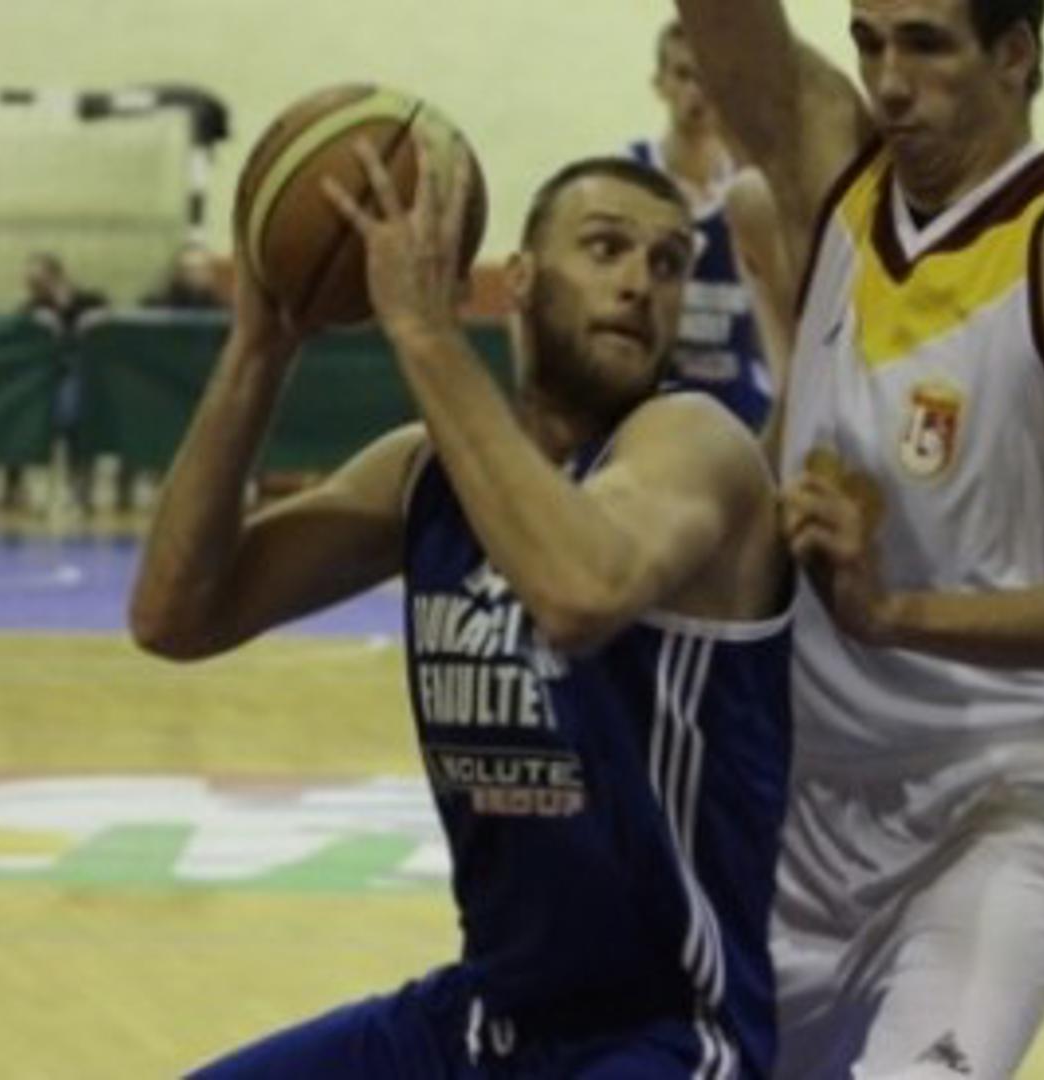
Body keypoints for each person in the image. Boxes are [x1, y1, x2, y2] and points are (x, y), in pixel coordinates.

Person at [133, 149, 792, 1077]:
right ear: (516, 281)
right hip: (488, 1017)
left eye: (668, 263)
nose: (639, 283)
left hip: (668, 1035)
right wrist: (258, 347)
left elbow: (581, 592)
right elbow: (174, 615)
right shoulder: (424, 475)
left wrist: (423, 332)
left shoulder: (692, 443)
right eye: (605, 248)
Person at [671, 1, 1044, 1076]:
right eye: (868, 42)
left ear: (1014, 53)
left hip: (1001, 796)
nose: (889, 79)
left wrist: (893, 612)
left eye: (925, 43)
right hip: (800, 802)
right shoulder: (830, 178)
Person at [632, 22, 796, 436]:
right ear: (659, 84)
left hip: (744, 402)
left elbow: (783, 308)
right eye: (684, 74)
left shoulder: (757, 187)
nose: (697, 90)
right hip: (655, 402)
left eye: (708, 77)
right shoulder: (629, 178)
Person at [14, 253, 110, 513]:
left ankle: (79, 487)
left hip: (86, 379)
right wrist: (32, 322)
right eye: (31, 283)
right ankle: (39, 491)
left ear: (56, 276)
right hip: (45, 382)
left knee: (77, 423)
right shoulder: (32, 308)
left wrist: (100, 317)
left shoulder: (89, 300)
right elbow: (19, 326)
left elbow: (110, 314)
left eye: (39, 281)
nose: (35, 288)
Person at [141, 241, 226, 310]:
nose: (193, 277)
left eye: (198, 270)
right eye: (188, 269)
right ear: (177, 273)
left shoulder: (220, 307)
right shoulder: (155, 306)